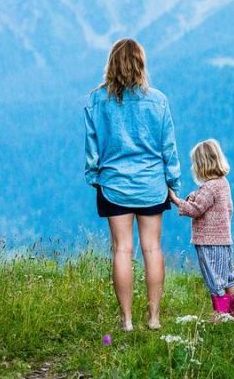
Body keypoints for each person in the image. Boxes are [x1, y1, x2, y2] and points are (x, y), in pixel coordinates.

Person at [85, 38, 181, 331]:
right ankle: (153, 318)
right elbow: (169, 149)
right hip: (152, 186)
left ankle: (126, 321)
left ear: (111, 64)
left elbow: (92, 147)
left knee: (122, 250)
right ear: (141, 64)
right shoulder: (158, 101)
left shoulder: (95, 101)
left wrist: (94, 177)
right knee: (152, 248)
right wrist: (173, 183)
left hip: (114, 186)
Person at [169, 139, 234, 320]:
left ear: (201, 165)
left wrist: (176, 200)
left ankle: (221, 316)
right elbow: (227, 208)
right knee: (229, 277)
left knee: (215, 279)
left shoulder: (209, 187)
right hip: (225, 240)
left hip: (209, 242)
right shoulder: (223, 183)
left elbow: (196, 210)